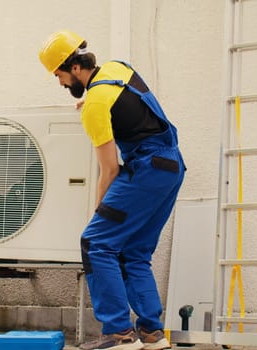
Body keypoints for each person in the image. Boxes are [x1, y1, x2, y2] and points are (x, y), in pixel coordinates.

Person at [39, 30, 185, 350]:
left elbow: (110, 169)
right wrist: (91, 106)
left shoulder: (95, 105)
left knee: (96, 242)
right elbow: (125, 107)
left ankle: (118, 333)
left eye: (60, 75)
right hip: (172, 167)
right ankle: (151, 333)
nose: (61, 83)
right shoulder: (118, 69)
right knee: (134, 252)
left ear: (74, 68)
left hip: (146, 170)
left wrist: (99, 206)